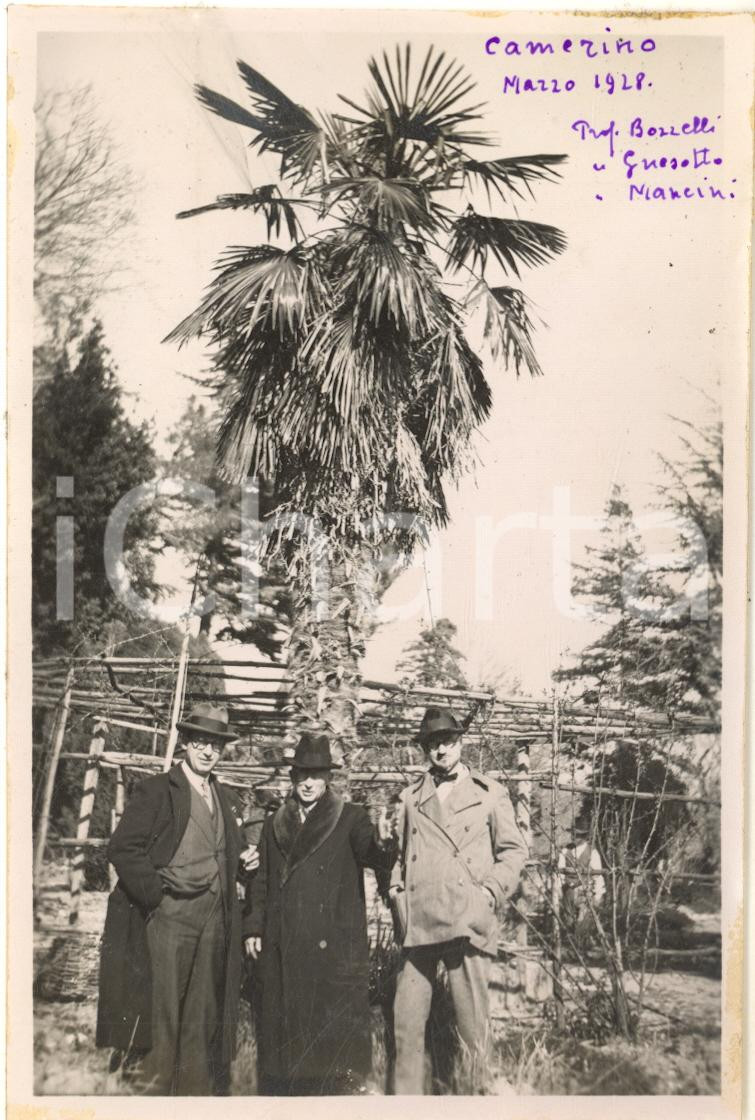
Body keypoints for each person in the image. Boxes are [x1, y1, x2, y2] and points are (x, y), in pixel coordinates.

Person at [96, 703, 258, 1095]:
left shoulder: (225, 797)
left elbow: (223, 852)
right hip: (169, 919)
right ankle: (152, 1096)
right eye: (201, 741)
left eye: (216, 745)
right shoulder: (156, 790)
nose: (208, 751)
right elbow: (124, 848)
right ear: (186, 742)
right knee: (162, 1013)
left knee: (203, 1015)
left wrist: (244, 863)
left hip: (215, 922)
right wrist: (155, 896)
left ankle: (193, 1098)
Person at [244, 732, 397, 1095]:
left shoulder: (351, 818)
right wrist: (253, 927)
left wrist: (385, 842)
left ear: (329, 778)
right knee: (283, 1051)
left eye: (316, 775)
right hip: (282, 943)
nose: (308, 783)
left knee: (330, 1058)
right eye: (301, 775)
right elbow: (263, 880)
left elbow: (373, 854)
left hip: (331, 951)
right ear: (292, 777)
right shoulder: (274, 823)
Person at [388, 706, 528, 1094]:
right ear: (425, 750)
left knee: (471, 1028)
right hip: (419, 923)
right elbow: (400, 856)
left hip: (467, 919)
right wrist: (397, 892)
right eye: (433, 744)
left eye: (447, 741)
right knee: (407, 1024)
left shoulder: (489, 793)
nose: (441, 750)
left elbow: (514, 852)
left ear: (460, 742)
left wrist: (489, 892)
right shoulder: (411, 797)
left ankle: (474, 1099)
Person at [557, 823, 605, 952]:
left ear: (584, 836)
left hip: (585, 890)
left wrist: (598, 893)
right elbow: (559, 872)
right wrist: (560, 887)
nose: (574, 837)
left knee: (583, 919)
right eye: (573, 834)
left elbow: (598, 875)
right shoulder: (565, 851)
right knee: (568, 919)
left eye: (578, 835)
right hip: (568, 890)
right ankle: (569, 947)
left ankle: (582, 947)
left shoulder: (592, 852)